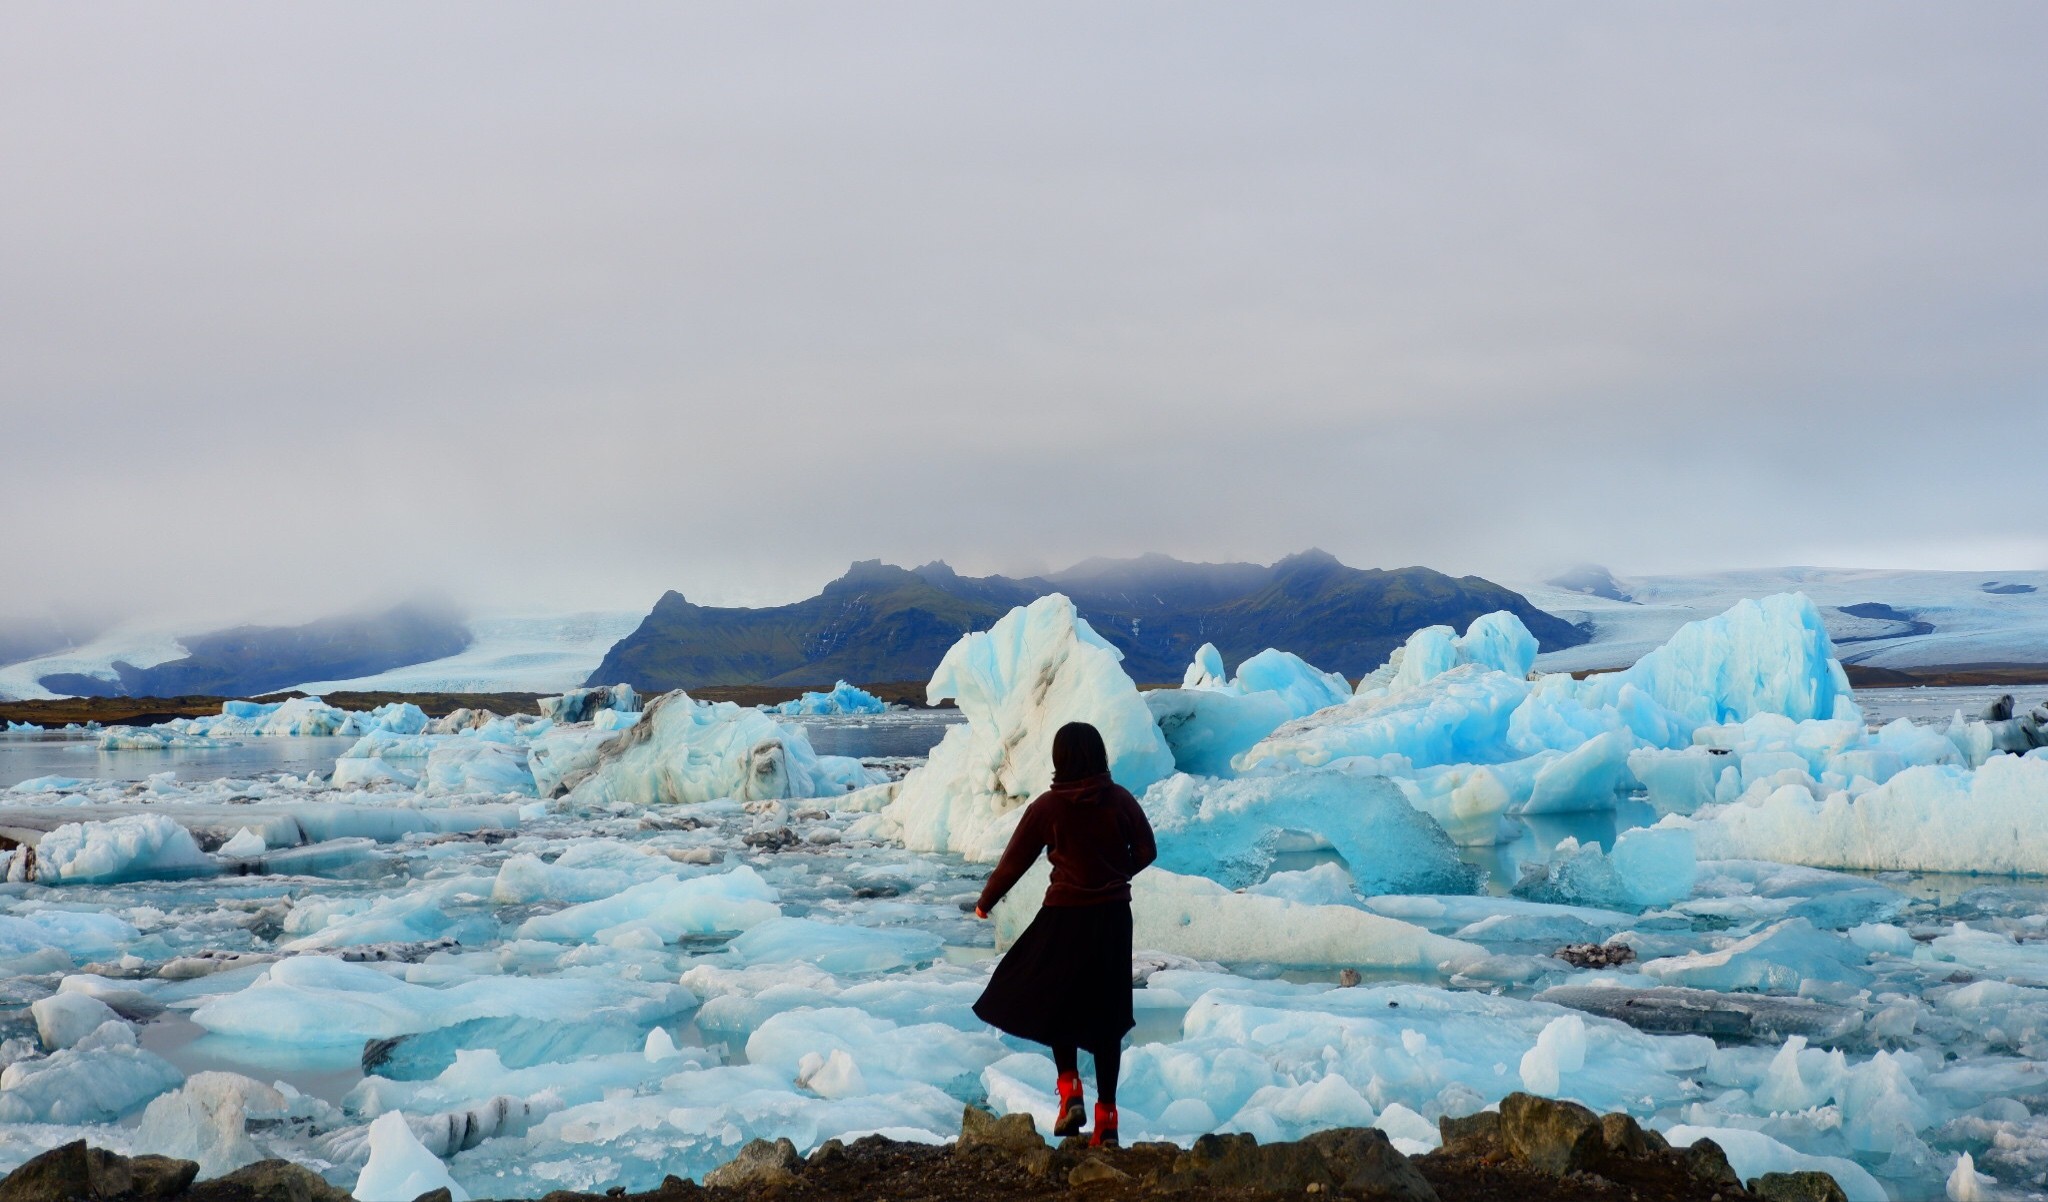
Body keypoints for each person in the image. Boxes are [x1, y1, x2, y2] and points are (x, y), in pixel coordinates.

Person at [970, 721, 1157, 1147]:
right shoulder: (1120, 800)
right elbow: (1148, 850)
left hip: (1065, 916)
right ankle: (1106, 1117)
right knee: (1107, 1016)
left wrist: (986, 902)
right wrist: (1115, 875)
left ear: (1058, 760)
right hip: (1112, 918)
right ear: (1099, 755)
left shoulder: (1048, 807)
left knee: (1056, 999)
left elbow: (1013, 863)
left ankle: (1069, 1088)